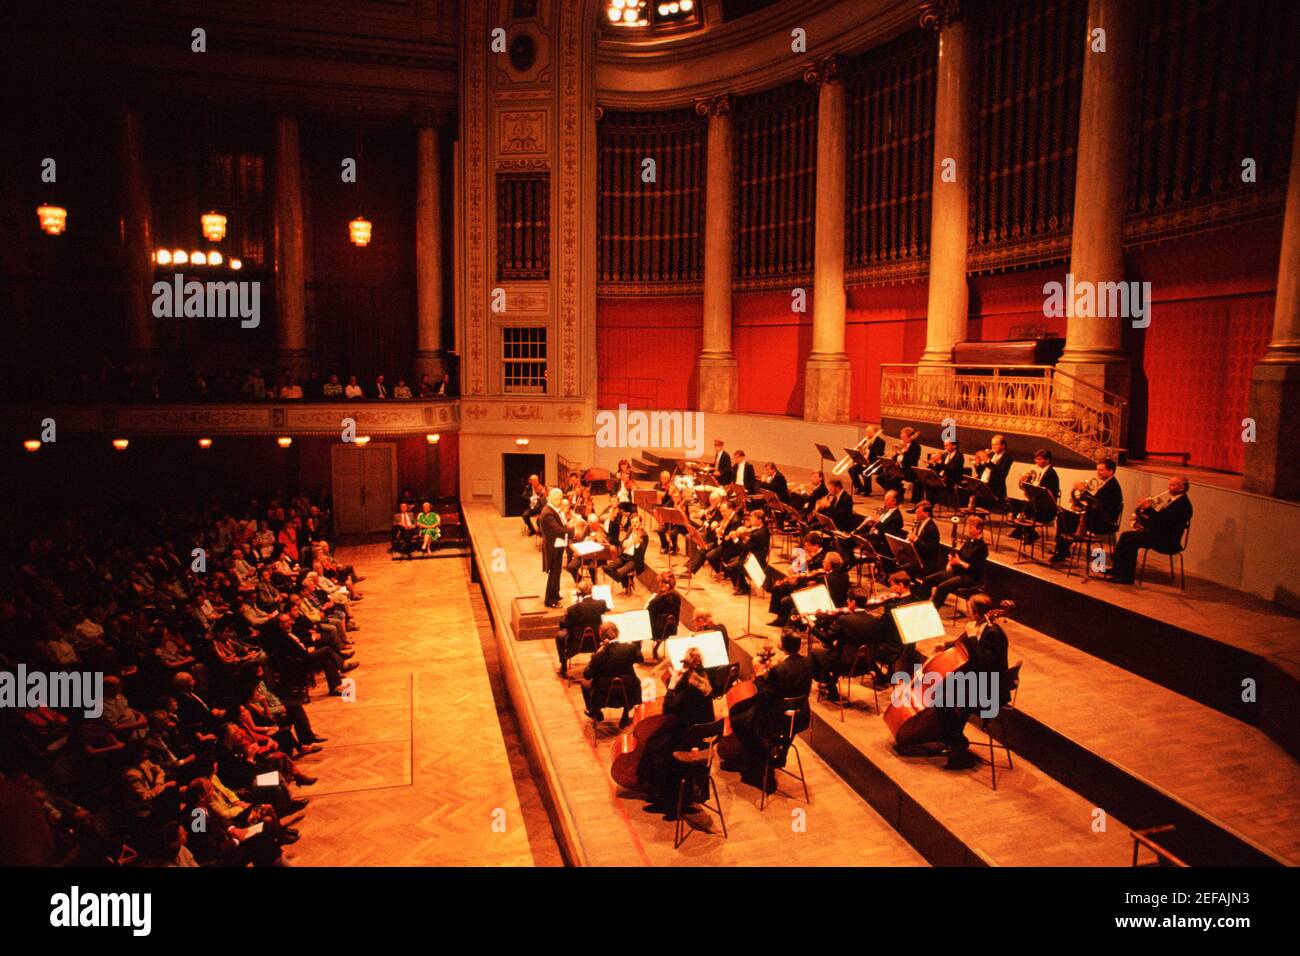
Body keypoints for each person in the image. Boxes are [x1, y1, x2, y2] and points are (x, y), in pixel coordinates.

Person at [931, 596, 1013, 770]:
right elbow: (968, 649)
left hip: (989, 689)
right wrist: (946, 645)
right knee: (942, 691)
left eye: (969, 609)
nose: (967, 612)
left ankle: (957, 744)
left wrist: (973, 638)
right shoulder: (980, 627)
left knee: (941, 698)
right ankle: (956, 740)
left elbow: (985, 663)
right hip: (979, 680)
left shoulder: (994, 634)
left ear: (976, 613)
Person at [725, 630, 812, 792]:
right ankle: (781, 753)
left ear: (783, 646)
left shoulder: (779, 670)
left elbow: (765, 696)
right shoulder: (808, 662)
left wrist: (759, 674)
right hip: (799, 716)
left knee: (738, 719)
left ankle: (759, 762)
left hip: (776, 719)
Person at [637, 648, 717, 817]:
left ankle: (668, 801)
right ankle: (674, 796)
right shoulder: (704, 676)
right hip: (701, 740)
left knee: (654, 747)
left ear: (686, 664)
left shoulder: (688, 684)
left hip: (685, 739)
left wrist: (672, 685)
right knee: (657, 742)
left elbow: (668, 708)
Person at [1105, 476, 1192, 585]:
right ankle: (1117, 569)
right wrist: (1143, 523)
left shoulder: (1182, 505)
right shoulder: (1173, 500)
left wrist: (1148, 508)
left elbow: (1163, 523)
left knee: (1130, 542)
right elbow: (1160, 521)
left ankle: (1126, 578)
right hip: (1159, 534)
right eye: (1169, 484)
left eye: (1172, 485)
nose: (1168, 487)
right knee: (1125, 535)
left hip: (1167, 539)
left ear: (1182, 488)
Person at [1050, 458, 1123, 564]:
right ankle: (1062, 550)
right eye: (1097, 470)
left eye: (1101, 470)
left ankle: (1061, 550)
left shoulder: (1111, 486)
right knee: (1063, 514)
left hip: (1102, 522)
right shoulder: (1108, 483)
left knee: (1065, 516)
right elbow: (1096, 504)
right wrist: (1080, 505)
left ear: (1111, 471)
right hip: (1097, 517)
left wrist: (1083, 491)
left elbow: (1096, 504)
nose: (1098, 473)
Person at [916, 514, 989, 610]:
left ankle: (933, 610)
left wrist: (959, 562)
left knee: (942, 587)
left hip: (970, 577)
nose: (968, 530)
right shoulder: (969, 541)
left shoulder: (982, 547)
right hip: (957, 572)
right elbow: (958, 555)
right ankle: (919, 603)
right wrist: (950, 562)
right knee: (928, 579)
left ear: (979, 529)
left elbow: (976, 569)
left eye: (971, 528)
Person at [582, 623, 642, 727]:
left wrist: (599, 651)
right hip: (628, 694)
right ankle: (625, 715)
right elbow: (640, 658)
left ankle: (596, 712)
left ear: (601, 636)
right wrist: (633, 645)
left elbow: (587, 675)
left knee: (584, 684)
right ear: (617, 632)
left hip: (604, 697)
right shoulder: (629, 649)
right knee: (635, 681)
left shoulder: (599, 656)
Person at [556, 579, 608, 677]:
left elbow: (562, 625)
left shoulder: (573, 609)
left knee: (559, 636)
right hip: (596, 643)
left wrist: (567, 613)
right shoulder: (601, 604)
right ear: (591, 591)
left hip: (577, 644)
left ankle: (563, 666)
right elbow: (605, 610)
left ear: (579, 594)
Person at [539, 488, 568, 607]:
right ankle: (550, 600)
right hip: (553, 547)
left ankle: (555, 593)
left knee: (557, 572)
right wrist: (572, 531)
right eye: (557, 499)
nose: (559, 501)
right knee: (553, 573)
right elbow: (557, 530)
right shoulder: (547, 513)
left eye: (561, 498)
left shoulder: (554, 509)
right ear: (550, 498)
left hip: (558, 545)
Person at [647, 571, 681, 646]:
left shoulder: (655, 602)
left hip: (657, 632)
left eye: (660, 582)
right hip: (672, 630)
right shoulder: (677, 598)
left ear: (663, 585)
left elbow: (648, 616)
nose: (658, 584)